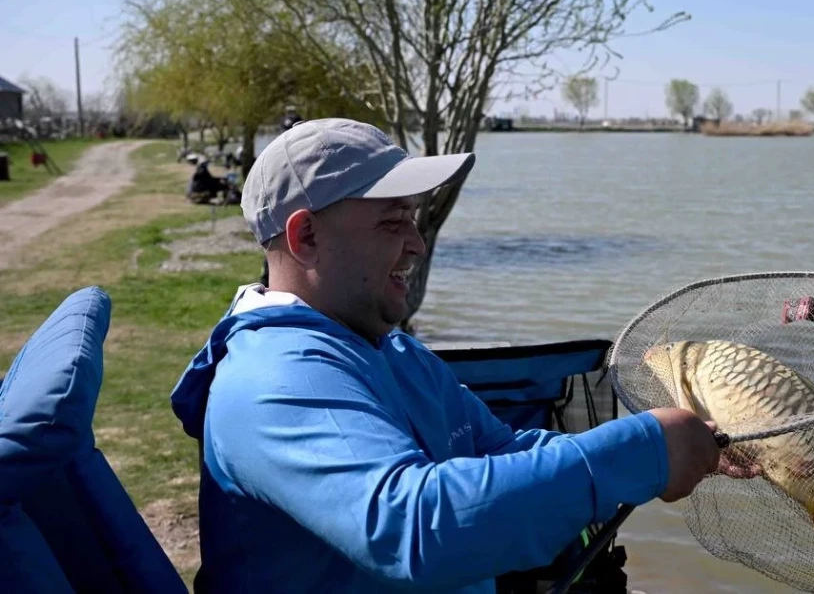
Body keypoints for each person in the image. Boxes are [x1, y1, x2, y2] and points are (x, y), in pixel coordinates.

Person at [169, 118, 721, 593]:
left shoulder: (390, 349)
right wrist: (642, 451)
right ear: (306, 235)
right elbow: (410, 527)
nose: (417, 242)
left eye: (413, 217)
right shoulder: (279, 380)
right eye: (392, 221)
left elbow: (500, 450)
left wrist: (675, 444)